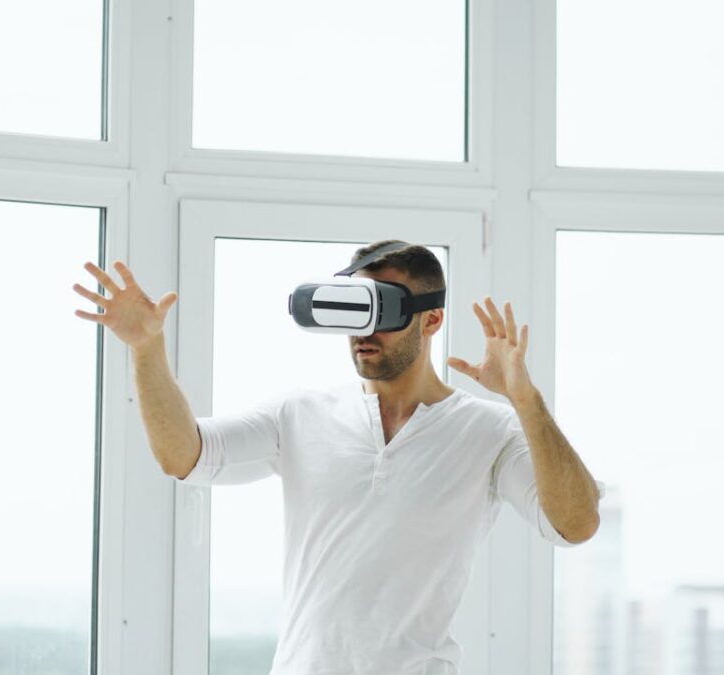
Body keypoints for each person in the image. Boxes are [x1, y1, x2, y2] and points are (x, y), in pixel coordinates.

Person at [73, 240, 603, 675]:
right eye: (351, 309)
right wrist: (146, 351)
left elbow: (575, 524)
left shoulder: (489, 429)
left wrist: (526, 401)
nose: (362, 332)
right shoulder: (299, 414)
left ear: (432, 320)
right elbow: (183, 456)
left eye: (382, 311)